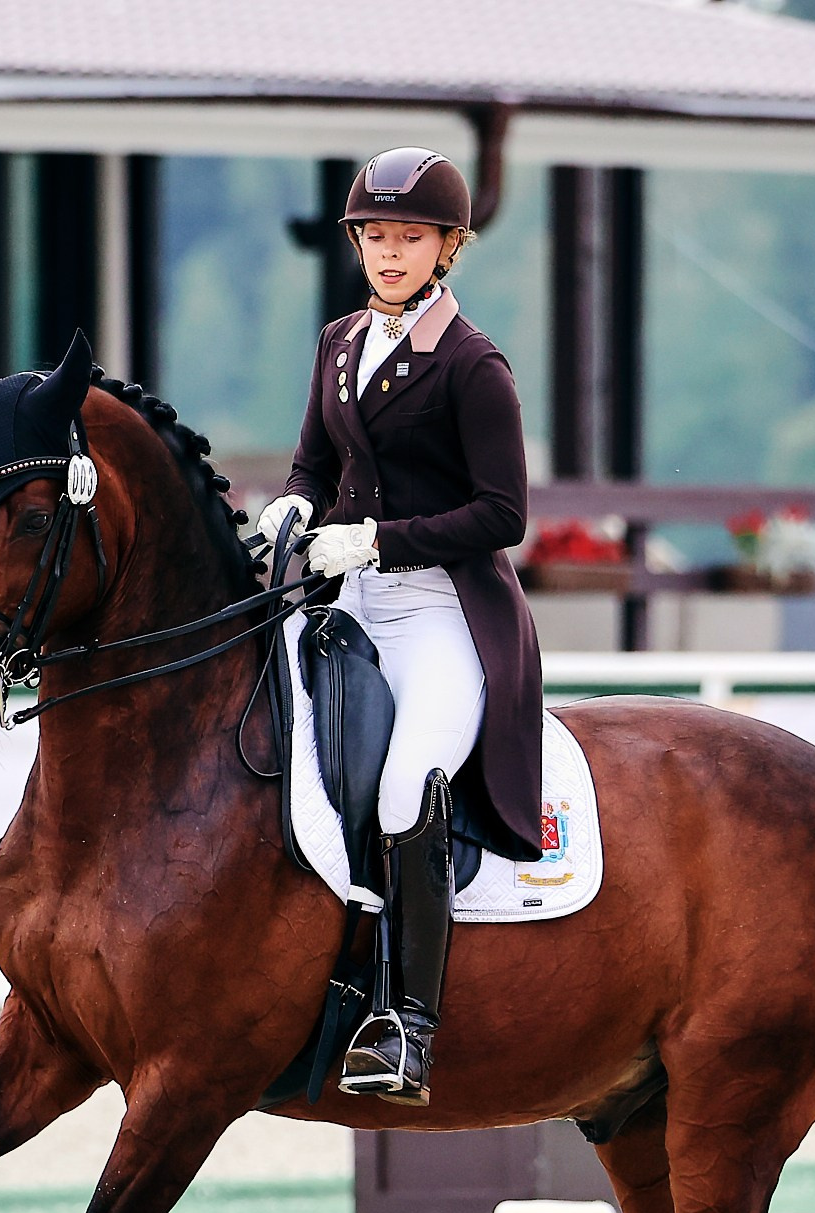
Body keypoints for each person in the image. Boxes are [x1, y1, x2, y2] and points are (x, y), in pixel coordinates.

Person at [257, 147, 544, 1106]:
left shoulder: (473, 365)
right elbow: (313, 462)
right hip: (349, 601)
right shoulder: (339, 341)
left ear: (448, 248)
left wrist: (379, 540)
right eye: (375, 236)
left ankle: (409, 1025)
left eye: (410, 238)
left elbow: (504, 514)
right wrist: (296, 505)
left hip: (439, 613)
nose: (388, 253)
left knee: (401, 787)